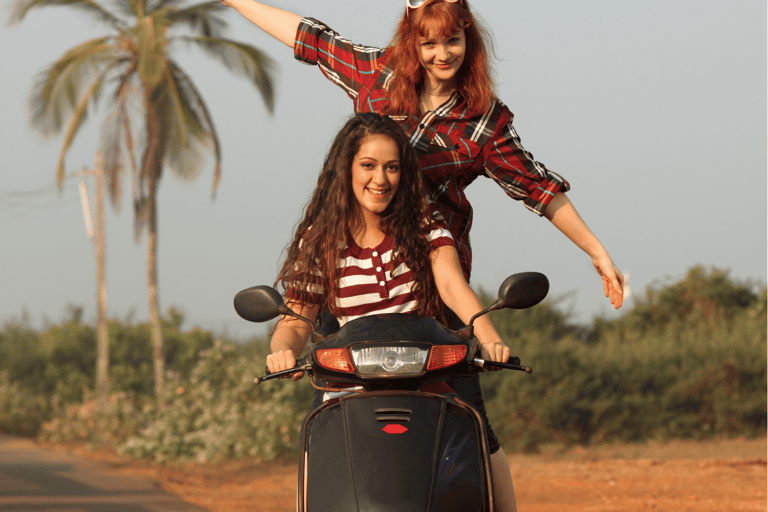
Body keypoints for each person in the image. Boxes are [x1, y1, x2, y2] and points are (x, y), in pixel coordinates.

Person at [221, 1, 626, 509]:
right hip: (350, 307)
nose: (441, 54)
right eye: (429, 42)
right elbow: (311, 39)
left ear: (469, 41)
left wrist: (596, 253)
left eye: (452, 41)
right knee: (327, 429)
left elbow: (536, 189)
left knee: (475, 426)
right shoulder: (376, 79)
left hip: (430, 301)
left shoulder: (482, 123)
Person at [266, 112, 516, 506]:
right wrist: (281, 351)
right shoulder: (321, 240)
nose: (379, 180)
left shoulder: (423, 223)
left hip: (427, 381)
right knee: (316, 456)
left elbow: (451, 284)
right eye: (368, 165)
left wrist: (491, 338)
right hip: (350, 387)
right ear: (345, 168)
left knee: (479, 438)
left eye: (391, 168)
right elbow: (297, 314)